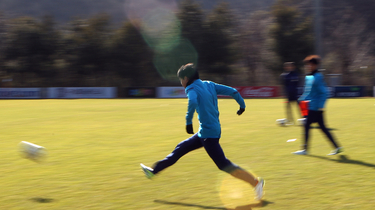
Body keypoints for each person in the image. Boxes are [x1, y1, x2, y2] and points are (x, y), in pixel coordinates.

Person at [140, 63, 265, 200]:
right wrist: (242, 106)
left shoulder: (191, 88)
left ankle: (255, 183)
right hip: (206, 131)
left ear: (186, 78)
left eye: (181, 80)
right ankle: (154, 171)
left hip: (208, 134)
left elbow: (193, 101)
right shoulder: (209, 84)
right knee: (181, 147)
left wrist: (188, 122)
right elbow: (233, 91)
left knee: (223, 164)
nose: (181, 83)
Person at [293, 55, 342, 156]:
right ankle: (337, 147)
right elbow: (308, 93)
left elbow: (324, 92)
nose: (308, 67)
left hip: (315, 107)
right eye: (307, 65)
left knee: (306, 125)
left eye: (310, 65)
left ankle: (305, 149)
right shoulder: (309, 77)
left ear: (315, 65)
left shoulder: (318, 77)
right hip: (310, 106)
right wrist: (301, 99)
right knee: (323, 128)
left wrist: (321, 106)